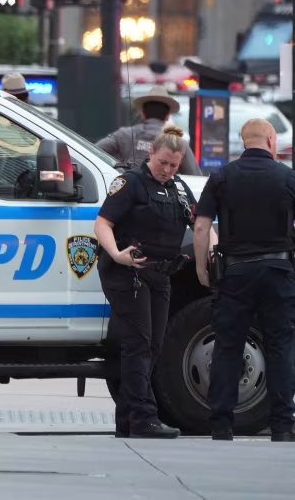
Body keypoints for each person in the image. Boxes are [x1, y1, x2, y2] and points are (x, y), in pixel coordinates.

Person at [94, 124, 203, 439]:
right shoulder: (129, 183)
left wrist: (210, 259)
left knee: (154, 347)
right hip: (128, 273)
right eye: (162, 163)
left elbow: (199, 224)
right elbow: (103, 223)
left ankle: (127, 420)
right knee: (139, 345)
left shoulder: (180, 188)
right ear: (150, 153)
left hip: (161, 275)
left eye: (173, 165)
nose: (167, 170)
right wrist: (116, 254)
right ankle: (143, 418)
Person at [194, 119, 295, 442]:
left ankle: (221, 424)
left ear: (243, 141)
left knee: (228, 346)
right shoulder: (288, 177)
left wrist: (201, 268)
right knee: (280, 346)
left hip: (235, 272)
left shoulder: (222, 176)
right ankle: (282, 426)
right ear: (270, 140)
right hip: (278, 272)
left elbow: (200, 227)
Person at [96, 86, 202, 176]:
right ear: (167, 116)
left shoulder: (123, 135)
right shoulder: (178, 143)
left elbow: (93, 153)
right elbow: (195, 177)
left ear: (142, 114)